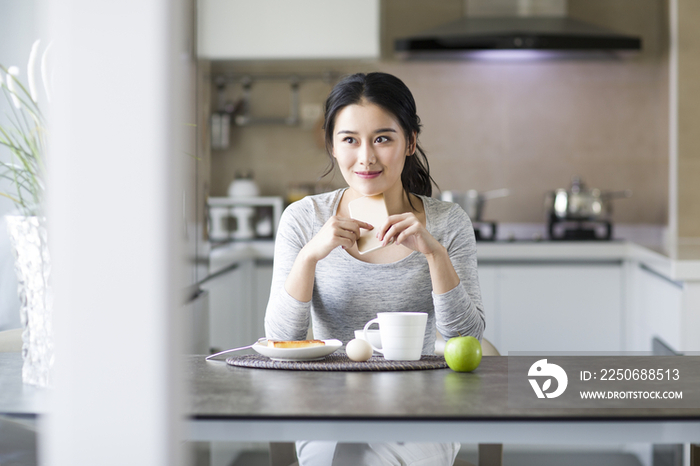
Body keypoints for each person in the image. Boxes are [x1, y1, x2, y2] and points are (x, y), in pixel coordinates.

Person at [264, 72, 485, 466]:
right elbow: (282, 340)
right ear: (332, 145)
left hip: (423, 405)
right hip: (327, 403)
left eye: (382, 138)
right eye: (350, 140)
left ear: (410, 142)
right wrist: (310, 256)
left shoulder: (448, 223)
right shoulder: (303, 219)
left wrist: (434, 254)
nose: (365, 157)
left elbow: (466, 338)